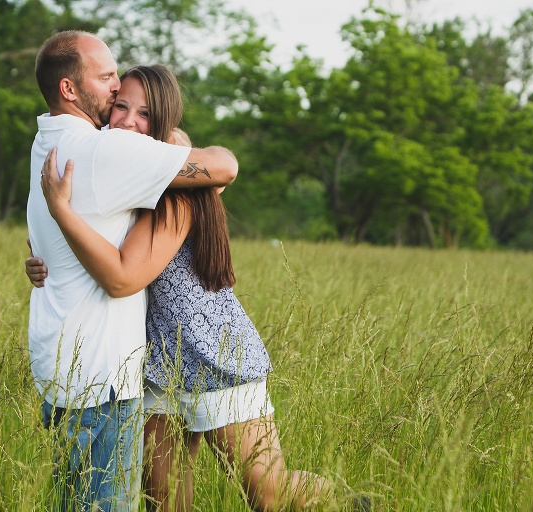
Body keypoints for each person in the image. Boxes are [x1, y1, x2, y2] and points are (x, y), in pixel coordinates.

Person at [27, 64, 371, 512]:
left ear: (165, 122)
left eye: (145, 114)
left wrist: (178, 145)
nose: (128, 121)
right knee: (164, 502)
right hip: (148, 362)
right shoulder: (118, 171)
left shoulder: (182, 190)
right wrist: (40, 260)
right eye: (120, 107)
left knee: (269, 495)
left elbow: (125, 273)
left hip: (212, 349)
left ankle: (355, 504)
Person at [27, 30, 239, 512]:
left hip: (61, 367)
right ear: (69, 89)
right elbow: (224, 167)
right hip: (100, 376)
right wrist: (176, 146)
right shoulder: (107, 152)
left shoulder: (47, 141)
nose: (115, 84)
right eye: (106, 79)